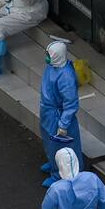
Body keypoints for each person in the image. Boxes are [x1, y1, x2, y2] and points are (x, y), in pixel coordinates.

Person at [39, 40, 83, 188]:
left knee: (62, 146)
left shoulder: (66, 76)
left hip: (58, 115)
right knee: (49, 141)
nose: (46, 57)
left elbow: (71, 103)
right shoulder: (54, 66)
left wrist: (63, 124)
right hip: (48, 111)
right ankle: (53, 163)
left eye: (49, 54)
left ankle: (59, 174)